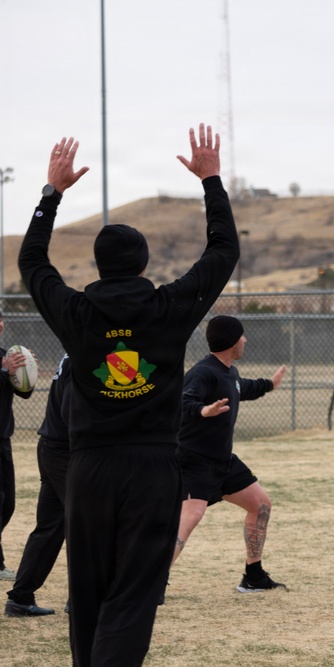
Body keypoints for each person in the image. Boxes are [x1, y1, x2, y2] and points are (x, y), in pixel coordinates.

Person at [18, 126, 240, 666]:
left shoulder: (77, 313)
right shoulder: (168, 307)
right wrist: (211, 181)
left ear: (99, 266)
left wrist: (51, 195)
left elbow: (32, 264)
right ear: (142, 265)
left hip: (89, 470)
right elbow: (223, 250)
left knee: (89, 593)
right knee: (133, 593)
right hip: (151, 468)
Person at [170, 316, 287, 594]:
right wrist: (203, 411)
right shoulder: (203, 372)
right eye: (242, 336)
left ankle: (254, 576)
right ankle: (150, 584)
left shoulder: (228, 371)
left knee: (260, 505)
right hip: (194, 461)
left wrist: (269, 384)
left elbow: (242, 388)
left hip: (222, 462)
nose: (245, 340)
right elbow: (183, 401)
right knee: (190, 518)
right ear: (231, 341)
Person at [5, 354, 71, 616]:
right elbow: (71, 410)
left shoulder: (75, 352)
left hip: (52, 446)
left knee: (52, 527)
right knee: (88, 523)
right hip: (66, 452)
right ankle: (82, 599)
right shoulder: (84, 355)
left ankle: (20, 597)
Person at [0, 322, 36, 582]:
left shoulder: (6, 353)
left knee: (8, 504)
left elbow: (24, 393)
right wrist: (4, 371)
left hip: (3, 438)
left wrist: (26, 372)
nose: (0, 323)